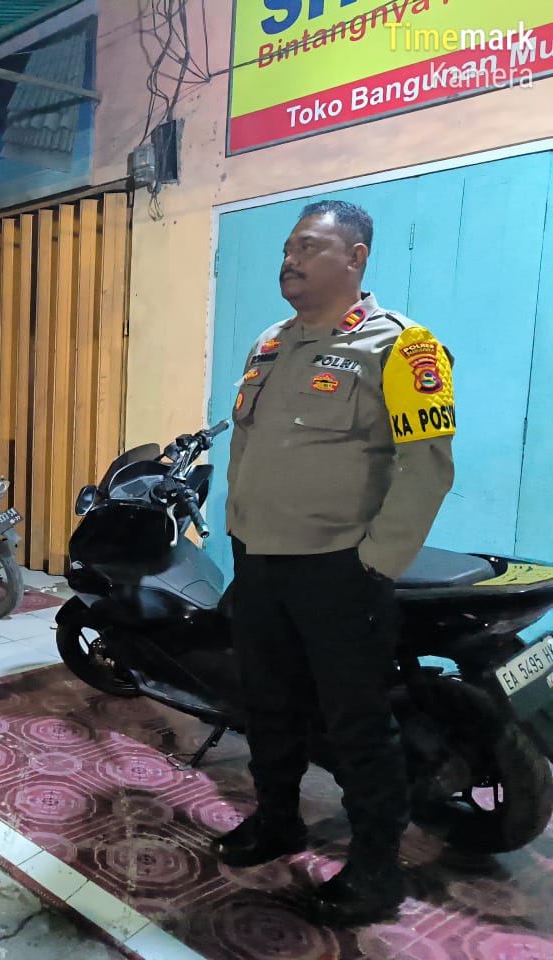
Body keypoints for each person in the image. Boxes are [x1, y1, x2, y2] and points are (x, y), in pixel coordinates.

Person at [217, 200, 455, 925]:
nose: (289, 259)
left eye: (308, 247)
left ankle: (376, 869)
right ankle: (277, 819)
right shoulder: (270, 343)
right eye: (287, 248)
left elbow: (427, 467)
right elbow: (250, 446)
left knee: (357, 724)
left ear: (355, 257)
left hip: (338, 572)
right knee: (267, 706)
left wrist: (375, 564)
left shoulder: (403, 348)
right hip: (259, 562)